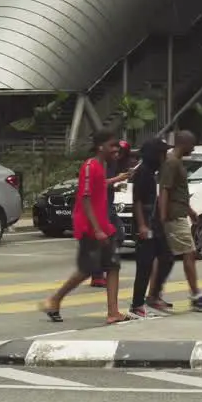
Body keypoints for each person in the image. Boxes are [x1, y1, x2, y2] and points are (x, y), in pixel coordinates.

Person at [42, 129, 127, 324]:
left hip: (104, 224)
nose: (116, 149)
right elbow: (86, 197)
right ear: (100, 146)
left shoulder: (100, 165)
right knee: (87, 269)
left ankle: (113, 312)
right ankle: (55, 299)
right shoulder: (90, 166)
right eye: (112, 145)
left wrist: (117, 180)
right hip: (89, 226)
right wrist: (96, 229)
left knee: (113, 265)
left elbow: (99, 186)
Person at [158, 130, 202, 311]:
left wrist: (190, 211)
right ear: (183, 144)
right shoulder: (171, 163)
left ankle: (155, 293)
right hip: (174, 217)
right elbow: (164, 190)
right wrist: (162, 217)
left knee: (168, 257)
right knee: (188, 253)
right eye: (192, 144)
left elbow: (177, 192)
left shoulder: (176, 162)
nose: (193, 148)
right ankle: (195, 295)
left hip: (180, 214)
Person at [129, 138, 174, 318]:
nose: (165, 156)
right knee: (144, 266)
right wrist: (141, 225)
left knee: (167, 257)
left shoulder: (152, 172)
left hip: (154, 223)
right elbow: (137, 201)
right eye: (162, 153)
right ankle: (137, 304)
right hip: (145, 224)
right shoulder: (143, 173)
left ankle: (153, 295)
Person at [92, 140, 133, 289]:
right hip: (101, 207)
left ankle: (103, 268)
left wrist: (117, 185)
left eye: (119, 153)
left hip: (109, 205)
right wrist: (118, 179)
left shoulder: (114, 165)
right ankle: (97, 274)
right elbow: (99, 184)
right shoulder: (99, 164)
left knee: (119, 235)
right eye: (114, 152)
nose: (117, 155)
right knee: (104, 240)